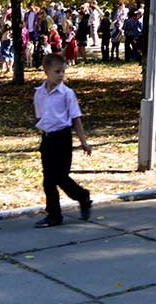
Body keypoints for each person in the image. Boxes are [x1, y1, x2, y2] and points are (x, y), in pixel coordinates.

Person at [32, 53, 93, 228]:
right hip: (48, 139)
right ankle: (54, 215)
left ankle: (82, 196)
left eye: (63, 72)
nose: (61, 75)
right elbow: (40, 116)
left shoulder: (67, 94)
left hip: (63, 138)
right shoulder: (39, 93)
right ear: (46, 71)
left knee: (60, 176)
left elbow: (76, 118)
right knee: (48, 179)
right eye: (57, 71)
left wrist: (83, 142)